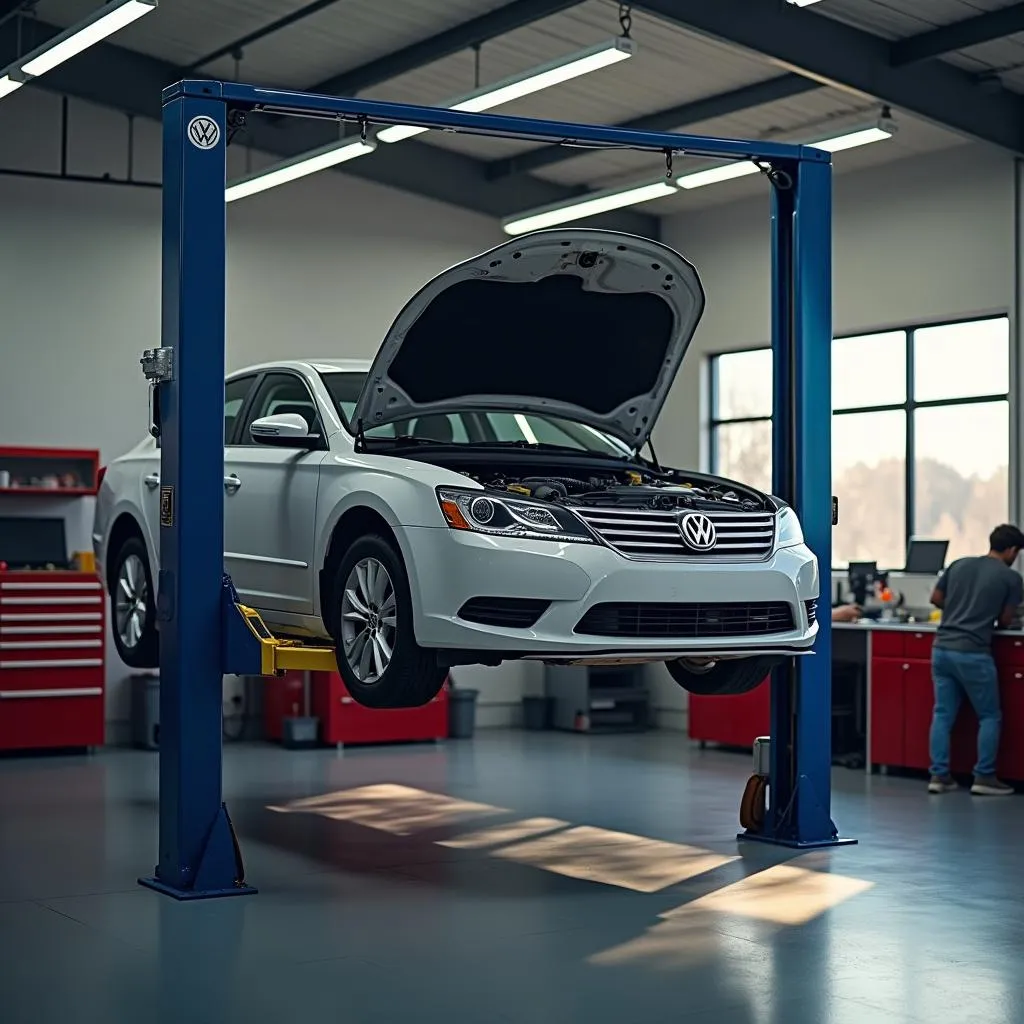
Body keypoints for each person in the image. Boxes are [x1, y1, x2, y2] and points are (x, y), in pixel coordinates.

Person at [927, 524, 1024, 796]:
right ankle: (984, 777)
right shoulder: (1010, 578)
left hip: (942, 648)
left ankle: (938, 776)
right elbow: (1005, 620)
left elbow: (936, 598)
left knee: (943, 714)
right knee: (990, 715)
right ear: (1012, 550)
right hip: (973, 652)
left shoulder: (959, 564)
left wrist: (960, 609)